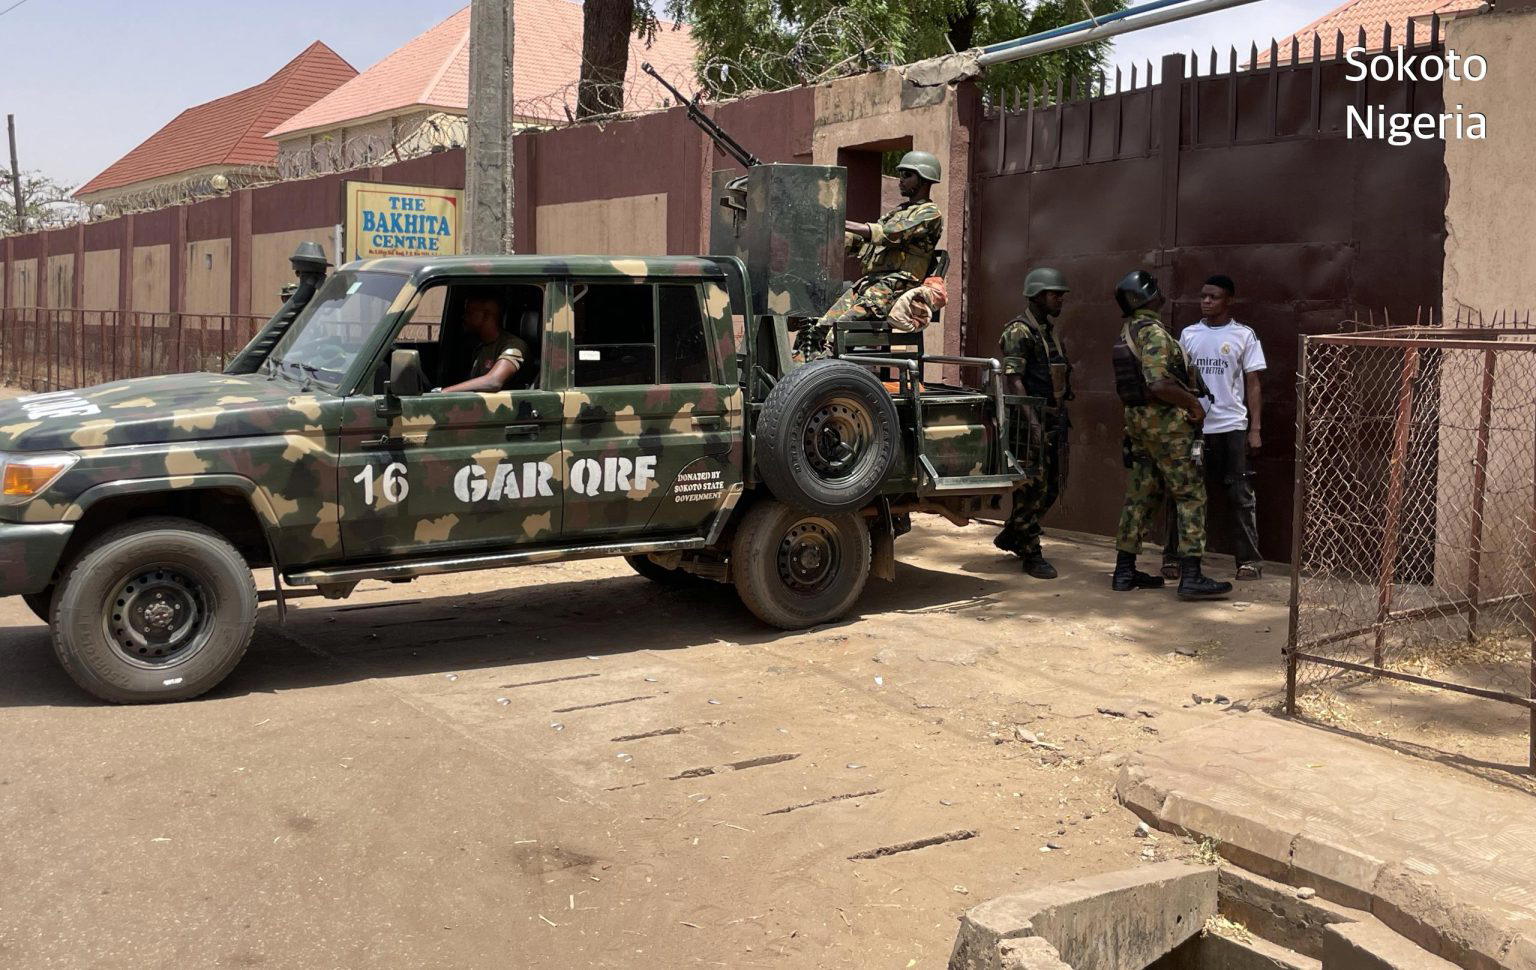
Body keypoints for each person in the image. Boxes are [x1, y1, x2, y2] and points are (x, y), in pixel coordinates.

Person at [1109, 270, 1231, 601]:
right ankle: (1191, 575)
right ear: (1146, 297)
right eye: (1155, 290)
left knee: (1140, 495)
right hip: (1166, 428)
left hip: (1139, 426)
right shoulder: (1154, 334)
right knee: (1190, 496)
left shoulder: (1129, 331)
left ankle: (1124, 571)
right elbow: (1159, 383)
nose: (1160, 293)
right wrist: (1194, 405)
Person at [1160, 275, 1266, 580]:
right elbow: (1177, 380)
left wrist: (1254, 429)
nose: (1206, 301)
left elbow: (1253, 383)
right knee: (1183, 493)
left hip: (1231, 427)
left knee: (1240, 496)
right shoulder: (1189, 334)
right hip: (1195, 429)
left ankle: (1249, 562)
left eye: (1214, 297)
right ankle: (1174, 557)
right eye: (1203, 296)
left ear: (1228, 300)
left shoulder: (1243, 335)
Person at [794, 150, 944, 360]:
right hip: (872, 283)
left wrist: (840, 222)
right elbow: (864, 242)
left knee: (838, 330)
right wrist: (823, 234)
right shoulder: (899, 211)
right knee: (820, 327)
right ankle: (797, 372)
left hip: (898, 284)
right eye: (900, 174)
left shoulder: (929, 214)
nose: (901, 180)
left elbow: (889, 233)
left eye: (907, 175)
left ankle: (822, 378)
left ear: (925, 179)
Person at [994, 267, 1073, 579]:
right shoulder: (1019, 331)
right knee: (1033, 488)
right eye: (1056, 295)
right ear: (1039, 295)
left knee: (1052, 486)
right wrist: (1034, 424)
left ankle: (1013, 534)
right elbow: (1013, 380)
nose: (1061, 300)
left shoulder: (1046, 329)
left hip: (1051, 417)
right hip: (1029, 423)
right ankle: (1030, 551)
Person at [438, 294, 529, 393]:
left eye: (469, 312)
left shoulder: (514, 345)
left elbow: (493, 382)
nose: (464, 317)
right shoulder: (480, 346)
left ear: (486, 316)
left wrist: (444, 392)